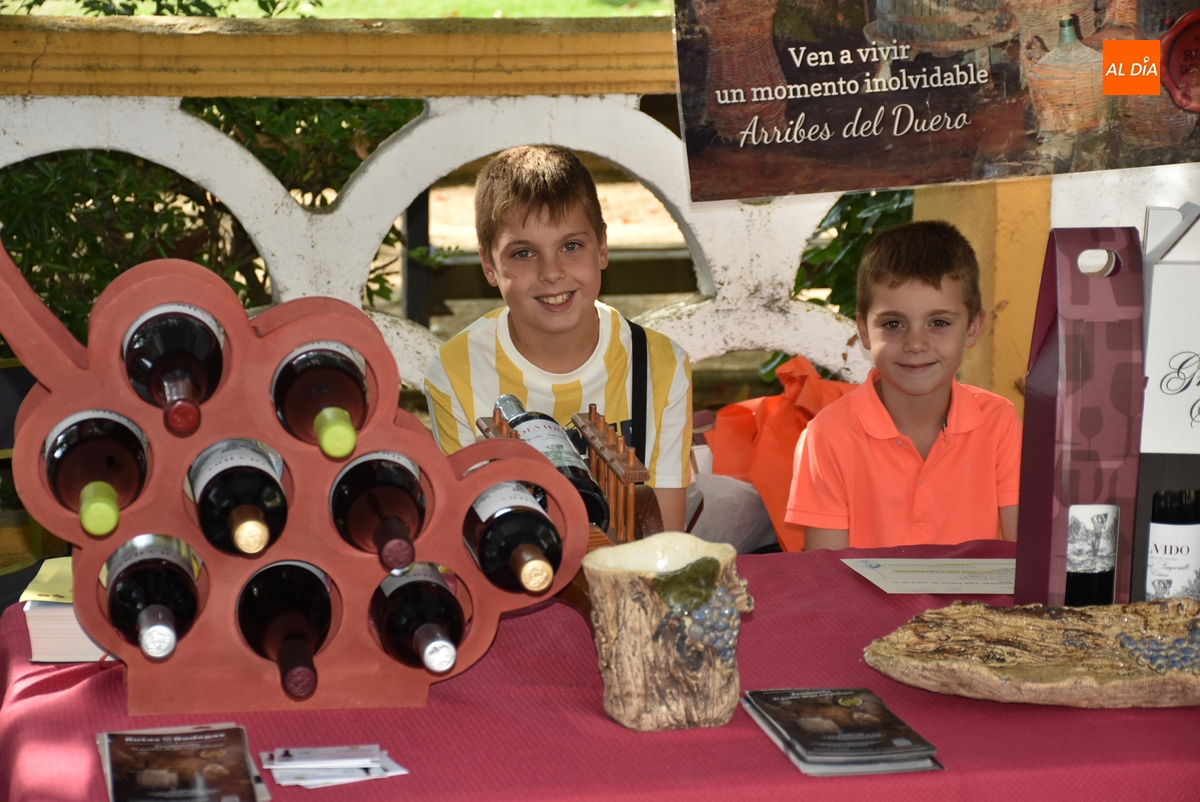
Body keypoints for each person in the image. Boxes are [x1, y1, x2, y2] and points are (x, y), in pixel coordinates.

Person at [423, 145, 692, 532]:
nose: (551, 273)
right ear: (489, 266)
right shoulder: (456, 371)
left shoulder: (660, 365)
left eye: (571, 246)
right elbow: (472, 526)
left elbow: (665, 536)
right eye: (523, 253)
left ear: (602, 247)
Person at [785, 220, 1020, 550]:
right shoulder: (828, 436)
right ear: (864, 330)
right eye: (893, 324)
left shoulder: (998, 423)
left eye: (939, 322)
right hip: (855, 589)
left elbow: (1030, 558)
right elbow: (827, 574)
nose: (916, 344)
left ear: (972, 328)